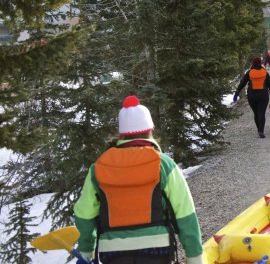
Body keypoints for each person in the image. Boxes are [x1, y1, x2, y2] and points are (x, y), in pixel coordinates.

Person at [74, 95, 204, 264]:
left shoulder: (98, 167)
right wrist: (195, 256)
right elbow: (185, 213)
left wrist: (86, 252)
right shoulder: (164, 164)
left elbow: (84, 214)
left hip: (112, 252)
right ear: (151, 129)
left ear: (122, 134)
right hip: (157, 249)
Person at [233, 56, 270, 138]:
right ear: (260, 63)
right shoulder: (264, 72)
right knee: (261, 113)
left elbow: (242, 83)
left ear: (253, 63)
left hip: (252, 95)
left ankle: (258, 130)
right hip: (263, 95)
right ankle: (261, 131)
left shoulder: (249, 72)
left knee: (256, 113)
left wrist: (237, 92)